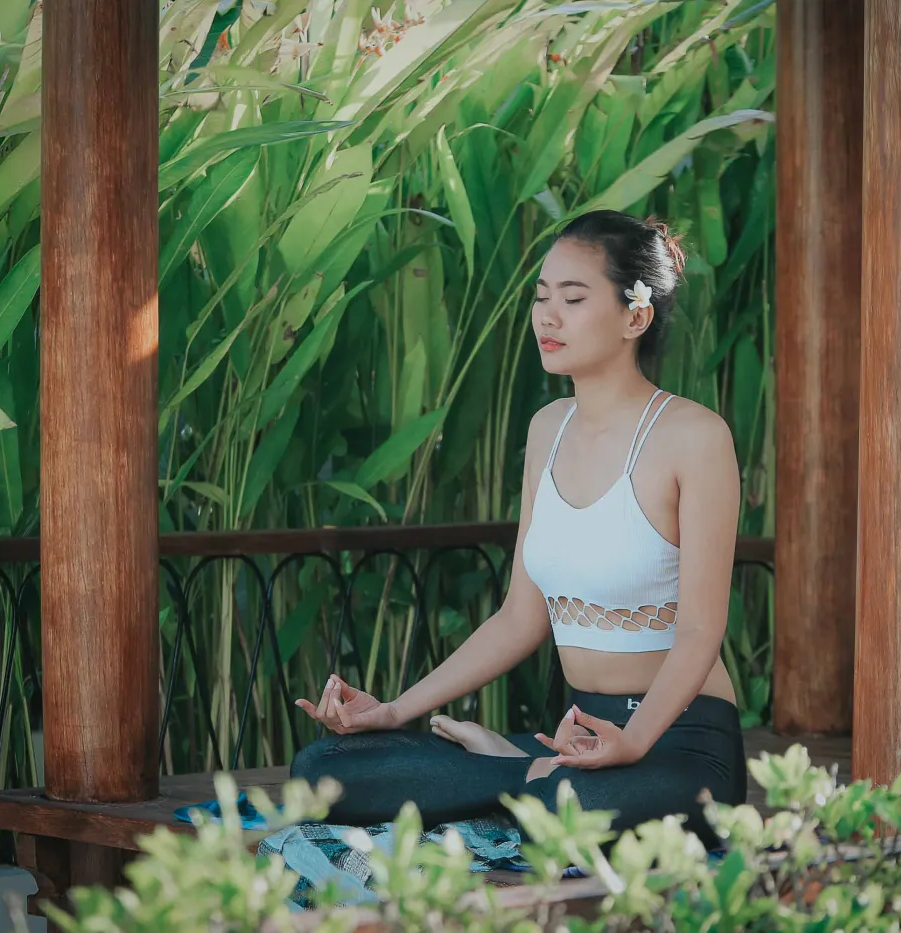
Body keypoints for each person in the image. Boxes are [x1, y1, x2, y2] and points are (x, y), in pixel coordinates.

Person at [290, 210, 745, 847]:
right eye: (541, 297)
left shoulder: (694, 436)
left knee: (574, 805)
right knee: (322, 772)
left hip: (680, 742)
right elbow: (519, 619)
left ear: (635, 317)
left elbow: (699, 630)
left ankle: (513, 771)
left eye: (573, 299)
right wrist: (394, 710)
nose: (547, 317)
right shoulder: (547, 428)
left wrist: (634, 740)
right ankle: (522, 771)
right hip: (576, 736)